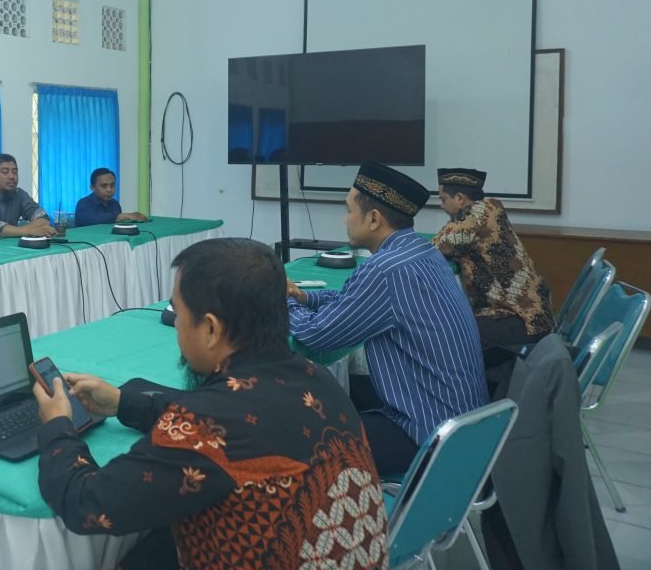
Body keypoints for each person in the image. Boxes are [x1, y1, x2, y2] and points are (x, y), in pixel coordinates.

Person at [35, 238, 386, 570]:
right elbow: (239, 421)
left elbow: (87, 503)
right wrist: (123, 403)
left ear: (211, 329)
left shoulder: (205, 423)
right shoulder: (317, 378)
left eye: (179, 315)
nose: (176, 328)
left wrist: (57, 425)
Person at [287, 162, 488, 476]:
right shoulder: (423, 252)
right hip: (464, 428)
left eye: (349, 210)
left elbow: (316, 336)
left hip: (424, 435)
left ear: (373, 219)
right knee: (344, 396)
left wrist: (283, 301)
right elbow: (353, 301)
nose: (344, 219)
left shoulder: (385, 269)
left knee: (298, 434)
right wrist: (304, 297)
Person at [433, 167, 554, 349]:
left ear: (459, 198)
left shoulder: (473, 217)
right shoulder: (490, 208)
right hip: (534, 316)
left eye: (443, 199)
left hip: (522, 319)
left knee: (448, 333)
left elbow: (435, 248)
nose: (441, 206)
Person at [73, 167, 147, 226]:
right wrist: (126, 216)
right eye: (104, 186)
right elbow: (94, 219)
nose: (109, 190)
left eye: (112, 185)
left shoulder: (115, 204)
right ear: (92, 188)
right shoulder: (83, 204)